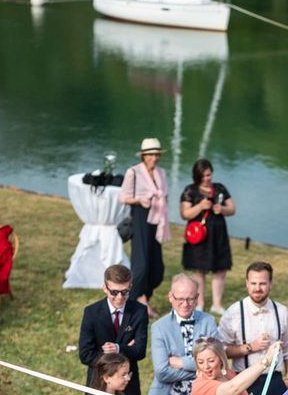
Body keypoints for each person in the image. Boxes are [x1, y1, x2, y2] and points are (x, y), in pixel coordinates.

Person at [218, 261, 288, 395]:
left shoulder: (282, 311)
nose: (257, 288)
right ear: (246, 283)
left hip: (275, 380)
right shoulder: (233, 312)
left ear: (271, 284)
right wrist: (250, 347)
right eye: (253, 283)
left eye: (262, 283)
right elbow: (221, 350)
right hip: (244, 380)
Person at [120, 137, 171, 318]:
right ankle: (135, 303)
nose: (154, 158)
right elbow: (123, 197)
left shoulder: (162, 173)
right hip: (140, 217)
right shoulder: (133, 172)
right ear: (143, 156)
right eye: (150, 154)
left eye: (156, 154)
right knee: (141, 266)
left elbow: (165, 195)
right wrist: (139, 200)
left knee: (157, 268)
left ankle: (143, 298)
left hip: (157, 220)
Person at [79, 264, 148, 395]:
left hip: (128, 385)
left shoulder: (139, 312)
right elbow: (85, 354)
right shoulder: (91, 313)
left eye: (125, 292)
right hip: (99, 382)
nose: (120, 297)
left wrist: (118, 348)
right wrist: (125, 350)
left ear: (130, 286)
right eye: (114, 292)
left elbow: (140, 351)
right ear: (105, 288)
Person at [180, 159, 236, 315]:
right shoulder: (190, 190)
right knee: (199, 270)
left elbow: (232, 209)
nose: (207, 178)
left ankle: (217, 304)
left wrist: (222, 209)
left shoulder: (220, 188)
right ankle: (200, 303)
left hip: (218, 234)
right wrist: (200, 206)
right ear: (197, 176)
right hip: (198, 236)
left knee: (220, 269)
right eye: (204, 176)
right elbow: (185, 214)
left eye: (209, 175)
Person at [149, 274, 219, 395]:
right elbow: (161, 373)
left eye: (190, 299)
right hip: (167, 391)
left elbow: (217, 362)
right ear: (171, 296)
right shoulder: (159, 327)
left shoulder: (208, 322)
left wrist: (182, 363)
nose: (185, 304)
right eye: (180, 299)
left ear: (197, 297)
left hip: (204, 389)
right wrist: (200, 371)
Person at [192, 337, 281, 395]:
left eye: (211, 361)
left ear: (221, 360)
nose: (206, 366)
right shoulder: (200, 385)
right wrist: (266, 361)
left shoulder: (229, 374)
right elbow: (233, 388)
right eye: (200, 362)